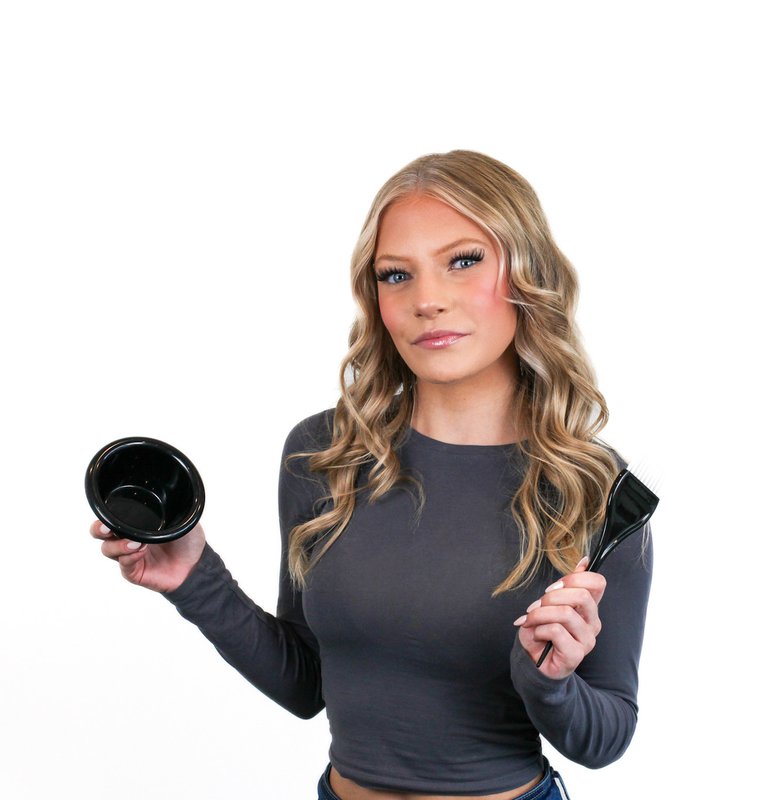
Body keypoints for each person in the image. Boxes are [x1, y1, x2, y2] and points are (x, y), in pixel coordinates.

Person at [90, 150, 652, 800]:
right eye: (396, 275)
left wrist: (550, 679)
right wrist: (192, 576)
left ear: (528, 272)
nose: (427, 301)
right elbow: (307, 686)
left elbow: (605, 738)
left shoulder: (593, 490)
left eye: (463, 260)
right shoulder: (322, 454)